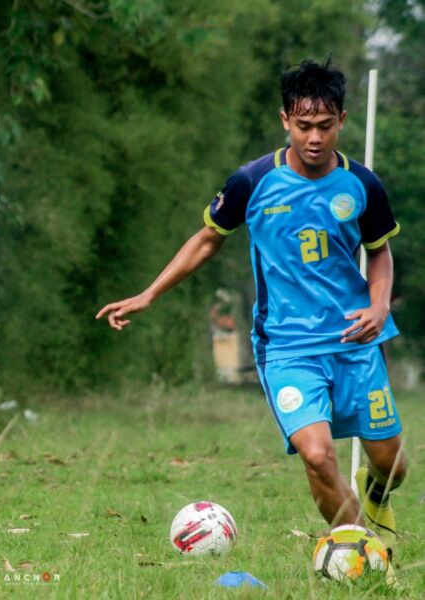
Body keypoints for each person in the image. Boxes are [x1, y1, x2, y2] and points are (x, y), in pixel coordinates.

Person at [96, 58, 406, 558]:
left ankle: (377, 494)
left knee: (392, 464)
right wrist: (149, 293)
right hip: (287, 347)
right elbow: (207, 239)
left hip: (355, 339)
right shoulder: (252, 181)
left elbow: (380, 252)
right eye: (303, 125)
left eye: (325, 126)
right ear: (285, 120)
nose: (314, 138)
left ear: (343, 121)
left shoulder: (363, 184)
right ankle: (366, 555)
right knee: (317, 456)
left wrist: (379, 305)